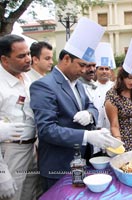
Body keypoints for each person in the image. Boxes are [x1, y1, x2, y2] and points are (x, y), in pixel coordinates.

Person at [29, 17, 117, 191]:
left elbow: (92, 106)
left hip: (81, 161)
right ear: (67, 59)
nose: (86, 71)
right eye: (82, 65)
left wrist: (90, 114)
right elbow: (47, 130)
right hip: (59, 165)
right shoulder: (44, 86)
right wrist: (86, 136)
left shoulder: (78, 83)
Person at [0, 34, 36, 200]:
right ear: (5, 60)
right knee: (12, 196)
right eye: (21, 56)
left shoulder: (27, 78)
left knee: (30, 194)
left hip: (32, 149)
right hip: (10, 151)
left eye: (28, 54)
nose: (28, 59)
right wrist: (2, 174)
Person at [22, 41, 54, 200]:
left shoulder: (45, 79)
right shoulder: (27, 81)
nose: (51, 62)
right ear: (35, 59)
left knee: (37, 187)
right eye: (47, 58)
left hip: (39, 142)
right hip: (23, 142)